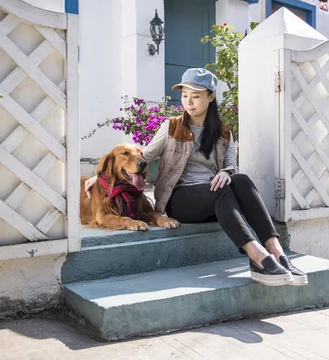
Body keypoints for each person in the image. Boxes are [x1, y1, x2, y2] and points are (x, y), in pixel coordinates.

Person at [85, 68, 307, 287]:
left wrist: (225, 172)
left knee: (242, 180)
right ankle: (257, 256)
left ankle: (277, 252)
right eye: (184, 96)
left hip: (214, 200)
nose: (188, 102)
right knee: (220, 189)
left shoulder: (224, 133)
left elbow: (231, 166)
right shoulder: (171, 127)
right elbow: (144, 156)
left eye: (196, 96)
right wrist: (103, 175)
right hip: (181, 199)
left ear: (210, 97)